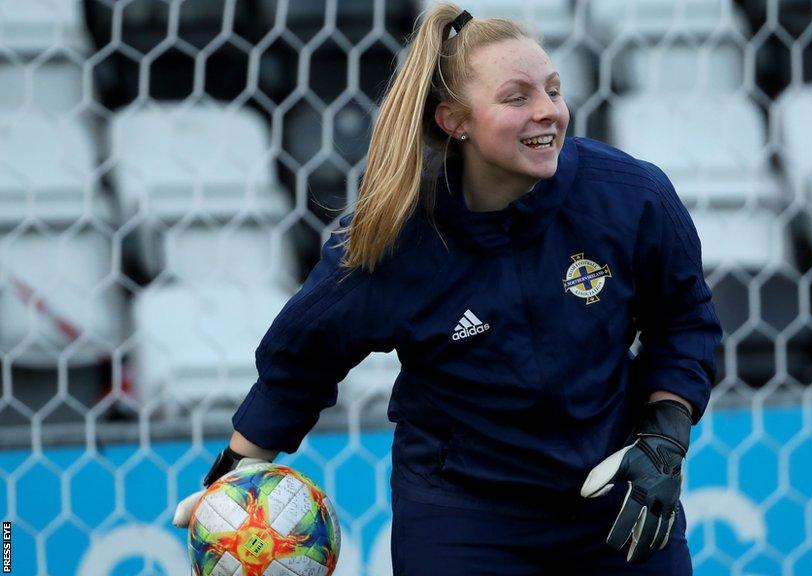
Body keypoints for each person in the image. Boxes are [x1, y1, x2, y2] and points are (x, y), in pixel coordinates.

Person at [173, 3, 722, 574]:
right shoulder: (392, 238)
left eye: (554, 91)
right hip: (464, 517)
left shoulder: (631, 196)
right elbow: (299, 364)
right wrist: (230, 483)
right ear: (454, 120)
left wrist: (664, 440)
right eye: (517, 98)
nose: (548, 112)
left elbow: (684, 320)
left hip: (615, 502)